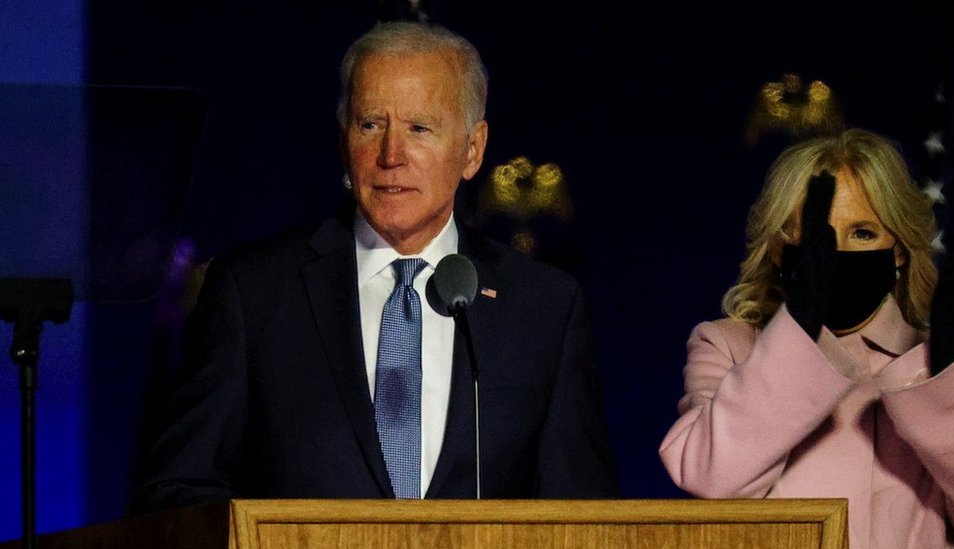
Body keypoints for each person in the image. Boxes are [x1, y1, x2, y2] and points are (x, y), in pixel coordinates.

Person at [128, 21, 618, 513]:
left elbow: (584, 515)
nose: (391, 155)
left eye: (419, 128)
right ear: (345, 144)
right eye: (370, 125)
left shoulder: (545, 308)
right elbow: (177, 493)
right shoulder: (253, 292)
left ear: (472, 149)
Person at [659, 128, 954, 549]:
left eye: (862, 233)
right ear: (778, 250)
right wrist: (801, 325)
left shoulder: (936, 362)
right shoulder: (727, 345)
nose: (837, 253)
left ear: (898, 249)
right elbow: (708, 478)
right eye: (817, 237)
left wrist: (950, 392)